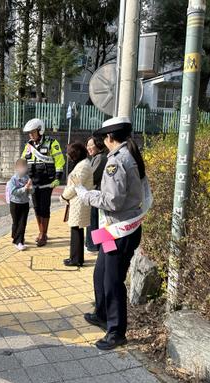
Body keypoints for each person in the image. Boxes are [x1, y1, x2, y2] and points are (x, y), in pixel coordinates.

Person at [72, 116, 148, 350]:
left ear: (109, 137)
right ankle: (102, 314)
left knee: (113, 281)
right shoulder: (128, 155)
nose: (103, 141)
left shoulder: (118, 161)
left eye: (104, 137)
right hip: (112, 228)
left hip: (120, 230)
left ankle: (116, 331)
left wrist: (84, 194)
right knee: (101, 273)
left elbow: (112, 201)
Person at [21, 118, 65, 247]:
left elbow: (59, 161)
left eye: (32, 132)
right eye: (29, 133)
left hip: (47, 182)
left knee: (44, 207)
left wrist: (58, 177)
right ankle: (41, 231)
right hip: (33, 182)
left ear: (40, 131)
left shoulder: (52, 143)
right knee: (36, 207)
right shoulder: (29, 145)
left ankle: (43, 234)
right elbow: (23, 161)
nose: (30, 135)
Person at [60, 141, 94, 267]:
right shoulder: (82, 164)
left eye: (70, 154)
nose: (68, 157)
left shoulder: (83, 166)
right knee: (76, 229)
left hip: (79, 201)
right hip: (77, 201)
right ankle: (75, 257)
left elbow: (75, 186)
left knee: (76, 229)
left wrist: (63, 196)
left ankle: (76, 259)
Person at [85, 136, 108, 252]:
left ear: (98, 144)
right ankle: (93, 245)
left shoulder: (100, 158)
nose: (88, 147)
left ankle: (94, 246)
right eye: (87, 145)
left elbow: (92, 177)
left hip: (98, 194)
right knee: (95, 220)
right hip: (96, 194)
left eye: (91, 145)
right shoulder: (97, 157)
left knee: (95, 221)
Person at [6, 158, 33, 251]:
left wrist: (30, 188)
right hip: (15, 204)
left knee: (22, 223)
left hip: (25, 203)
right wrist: (25, 188)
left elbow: (31, 192)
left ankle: (19, 242)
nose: (23, 169)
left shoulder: (27, 178)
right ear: (16, 168)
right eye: (21, 167)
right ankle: (16, 237)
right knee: (16, 223)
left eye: (25, 166)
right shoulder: (13, 180)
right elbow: (14, 192)